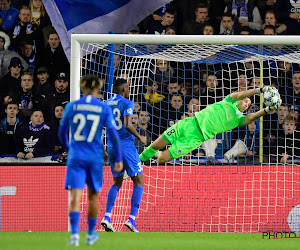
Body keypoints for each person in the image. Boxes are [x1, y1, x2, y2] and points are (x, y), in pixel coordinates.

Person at [58, 75, 123, 246]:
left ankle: (73, 235)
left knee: (75, 195)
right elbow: (113, 134)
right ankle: (91, 234)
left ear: (82, 87)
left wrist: (68, 147)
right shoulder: (103, 108)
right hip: (94, 158)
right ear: (98, 89)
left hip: (76, 156)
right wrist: (117, 156)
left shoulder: (72, 106)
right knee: (93, 197)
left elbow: (62, 131)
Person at [140, 86, 282, 164]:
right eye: (246, 101)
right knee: (156, 145)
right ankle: (138, 161)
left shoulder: (239, 119)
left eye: (249, 105)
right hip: (189, 123)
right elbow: (241, 94)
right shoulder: (228, 100)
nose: (246, 105)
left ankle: (148, 160)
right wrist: (260, 90)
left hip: (195, 139)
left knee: (162, 159)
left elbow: (251, 117)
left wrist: (267, 110)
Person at [101, 78, 147, 233]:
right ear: (124, 89)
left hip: (112, 148)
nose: (129, 91)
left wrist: (104, 151)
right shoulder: (127, 103)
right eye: (128, 88)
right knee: (139, 181)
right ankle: (131, 219)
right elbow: (127, 124)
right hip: (126, 147)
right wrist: (140, 137)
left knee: (117, 182)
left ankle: (107, 217)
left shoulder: (105, 104)